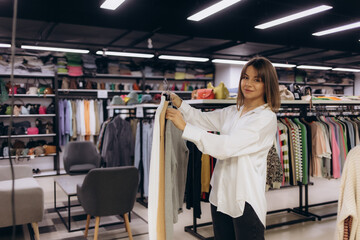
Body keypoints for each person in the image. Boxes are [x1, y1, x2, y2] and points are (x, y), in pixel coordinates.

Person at [165, 56, 280, 240]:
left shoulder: (265, 118)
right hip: (220, 194)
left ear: (268, 85)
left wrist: (185, 128)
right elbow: (203, 119)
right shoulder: (234, 111)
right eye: (245, 77)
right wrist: (181, 105)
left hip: (245, 199)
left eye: (256, 80)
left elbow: (226, 147)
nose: (248, 83)